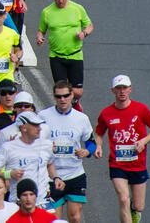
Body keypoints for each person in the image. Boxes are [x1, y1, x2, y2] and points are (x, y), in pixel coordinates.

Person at [94, 75, 150, 223]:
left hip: (138, 164)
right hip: (117, 164)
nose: (122, 91)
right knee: (124, 199)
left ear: (130, 89)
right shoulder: (106, 113)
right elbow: (99, 132)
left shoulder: (141, 109)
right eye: (118, 88)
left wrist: (144, 141)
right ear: (113, 91)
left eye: (124, 88)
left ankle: (133, 211)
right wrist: (98, 146)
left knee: (138, 206)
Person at [38, 80, 95, 223]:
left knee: (75, 217)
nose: (62, 99)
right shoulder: (43, 116)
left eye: (65, 96)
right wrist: (46, 147)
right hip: (52, 176)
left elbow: (91, 143)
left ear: (71, 96)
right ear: (54, 97)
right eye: (58, 96)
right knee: (53, 220)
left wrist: (86, 152)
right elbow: (35, 142)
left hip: (75, 174)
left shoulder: (81, 118)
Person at [36, 0, 93, 107]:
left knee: (77, 92)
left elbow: (89, 26)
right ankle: (63, 114)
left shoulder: (78, 8)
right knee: (61, 92)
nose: (60, 0)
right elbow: (41, 30)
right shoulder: (47, 12)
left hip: (75, 55)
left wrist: (84, 33)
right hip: (56, 56)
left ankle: (75, 102)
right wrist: (40, 37)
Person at [0, 112, 61, 207]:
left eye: (39, 125)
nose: (39, 128)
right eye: (35, 125)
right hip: (18, 203)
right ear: (23, 127)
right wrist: (10, 174)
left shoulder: (47, 145)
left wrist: (56, 178)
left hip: (43, 201)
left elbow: (49, 164)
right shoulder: (8, 148)